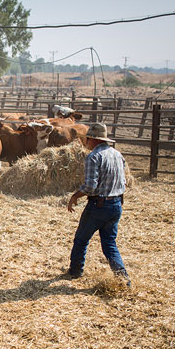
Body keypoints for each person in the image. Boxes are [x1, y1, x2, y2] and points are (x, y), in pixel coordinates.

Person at [66, 122, 131, 287]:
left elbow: (90, 186)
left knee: (81, 239)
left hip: (99, 204)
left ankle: (75, 271)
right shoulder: (117, 155)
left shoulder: (93, 157)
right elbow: (124, 181)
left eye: (87, 138)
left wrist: (75, 195)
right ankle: (123, 279)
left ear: (92, 139)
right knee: (109, 244)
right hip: (116, 203)